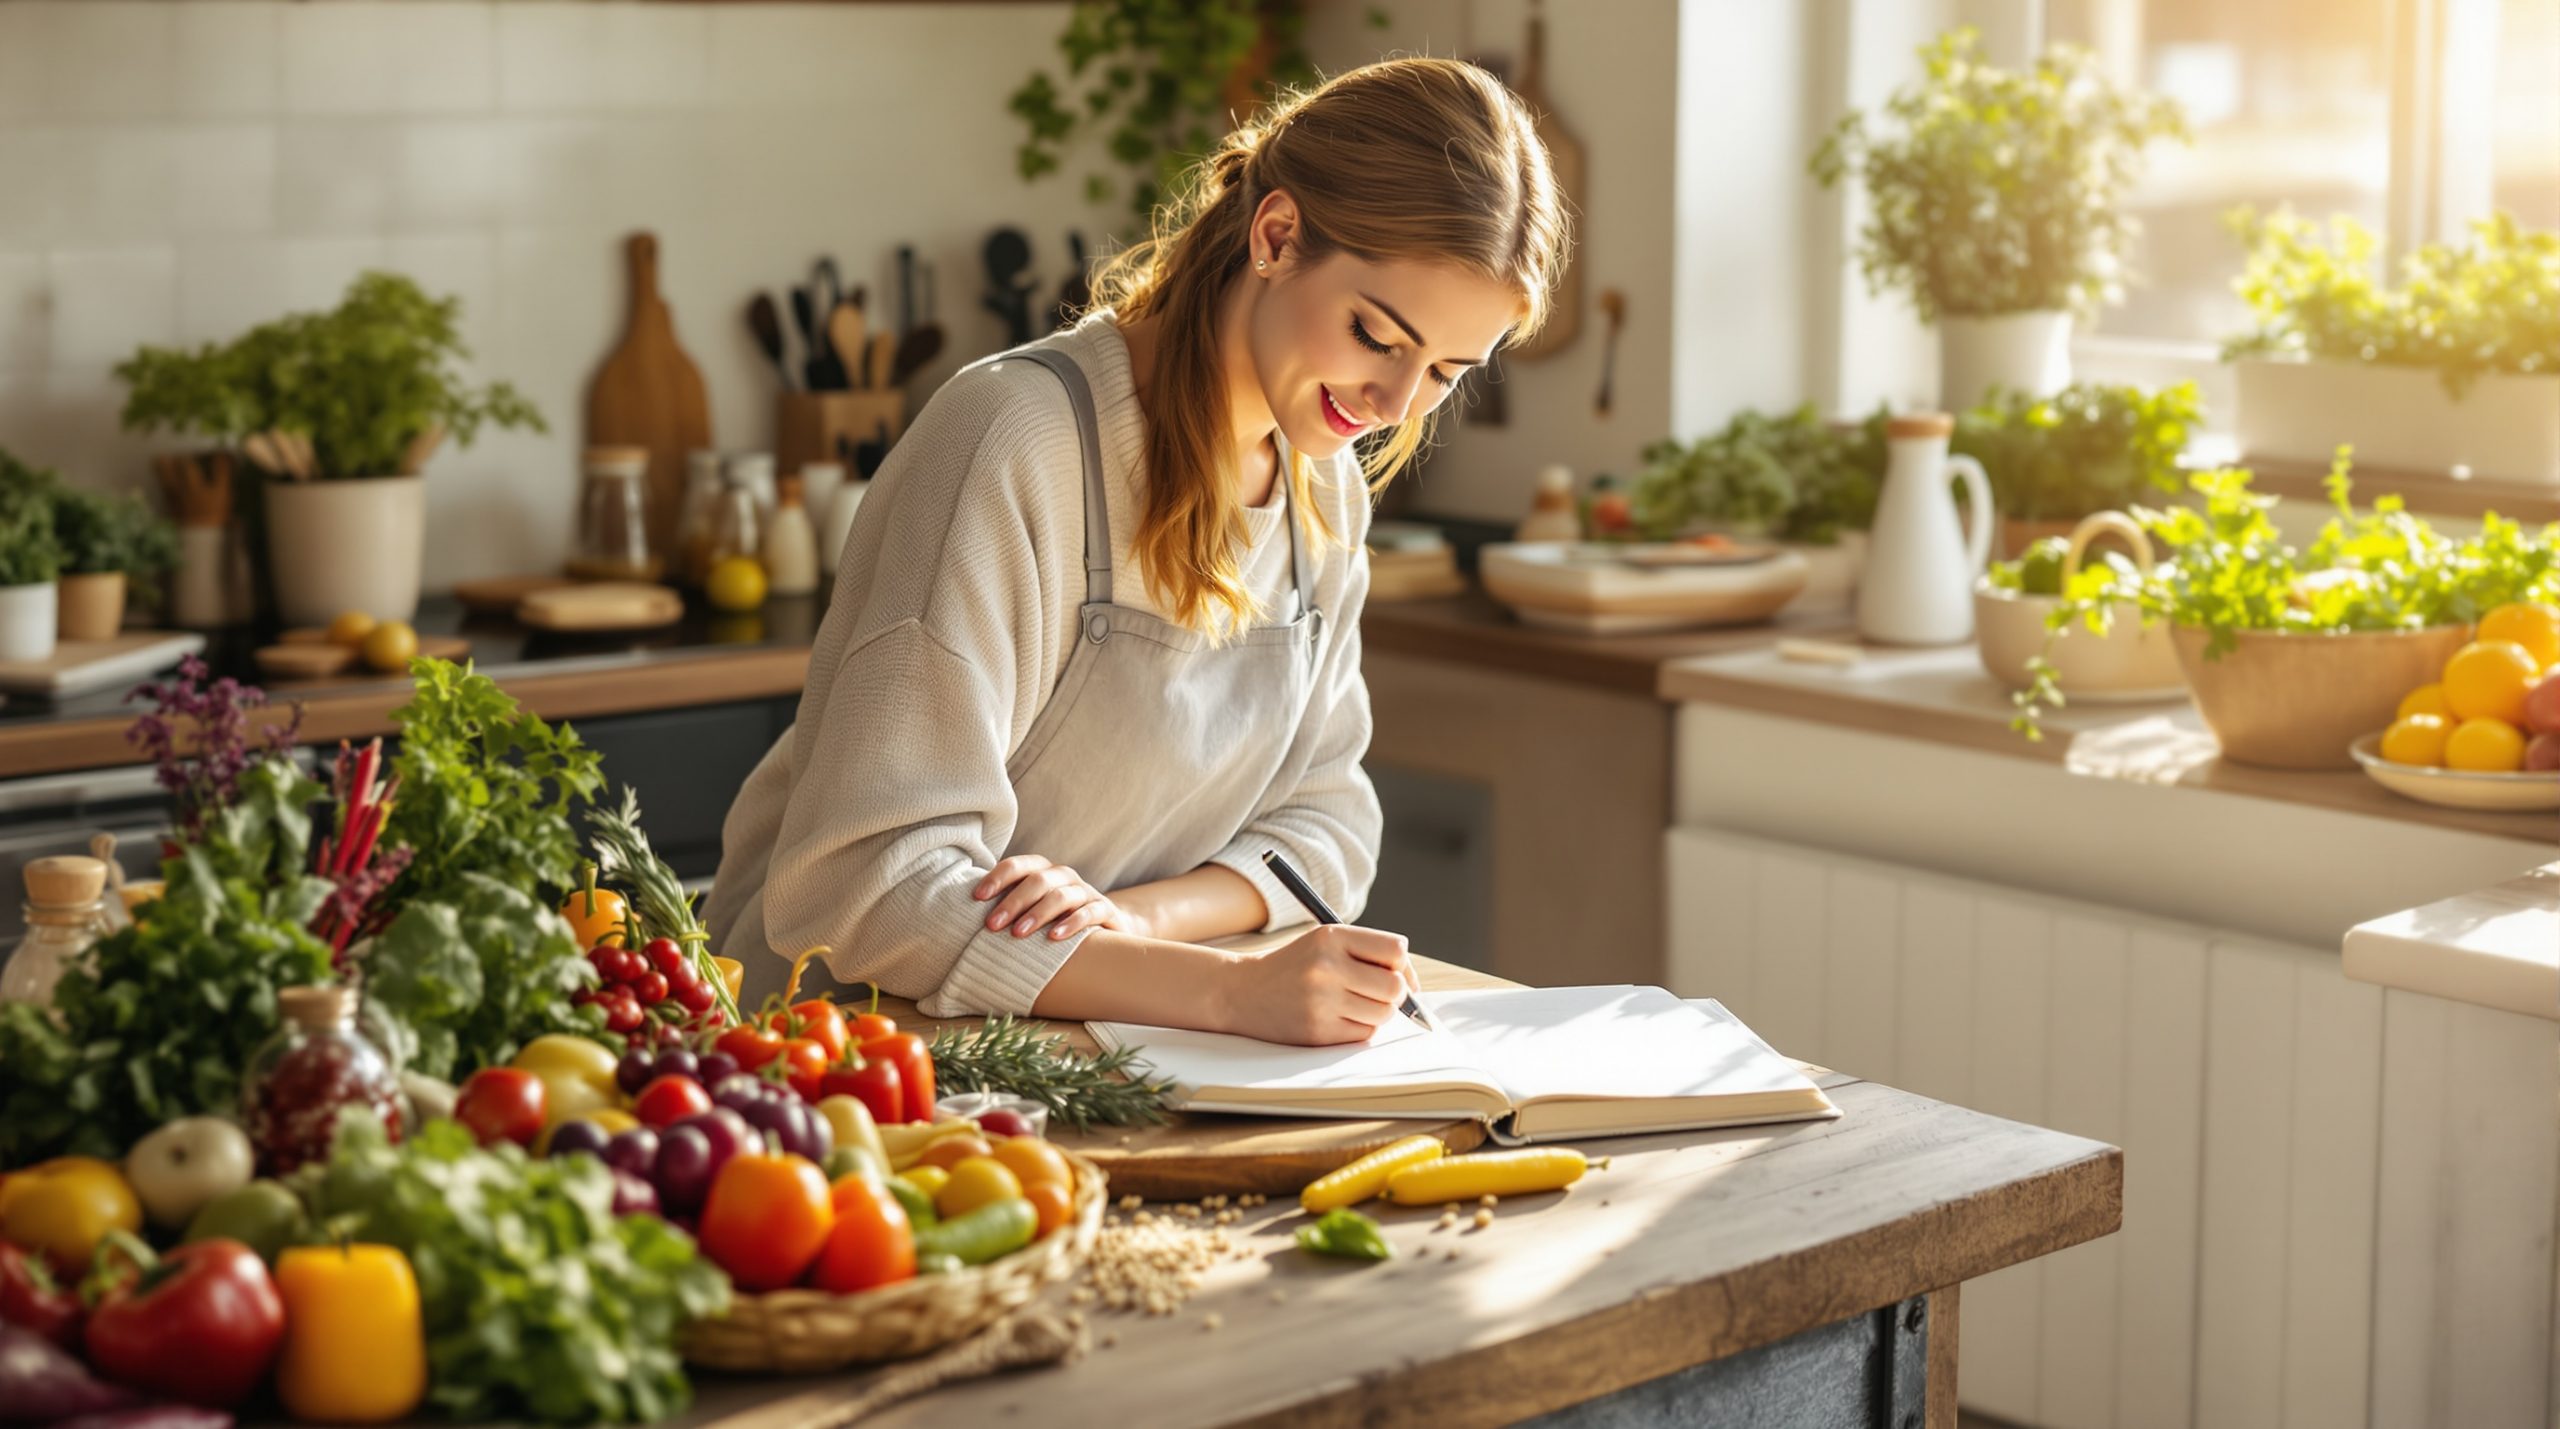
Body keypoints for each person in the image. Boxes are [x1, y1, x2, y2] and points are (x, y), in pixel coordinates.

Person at [702, 57, 1568, 1046]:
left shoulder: (1317, 483)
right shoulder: (1014, 442)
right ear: (1276, 236)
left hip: (1085, 1048)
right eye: (1375, 334)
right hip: (838, 1069)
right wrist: (1227, 992)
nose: (1394, 405)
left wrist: (1131, 921)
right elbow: (859, 886)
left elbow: (1327, 828)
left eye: (1447, 374)